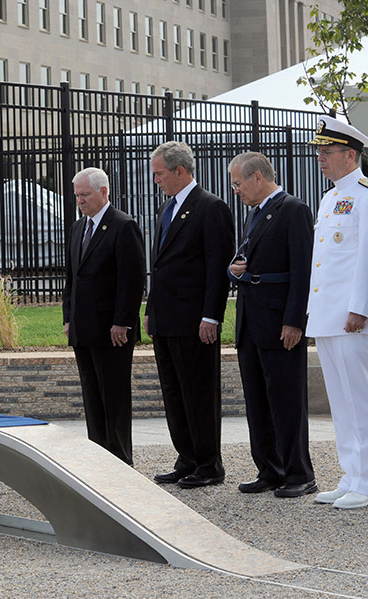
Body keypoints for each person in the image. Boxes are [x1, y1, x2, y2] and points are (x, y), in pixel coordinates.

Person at [306, 117, 368, 509]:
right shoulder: (329, 197)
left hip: (351, 317)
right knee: (341, 401)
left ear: (350, 155)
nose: (321, 158)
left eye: (327, 152)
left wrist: (360, 308)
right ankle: (350, 474)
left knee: (362, 397)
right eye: (320, 152)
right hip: (327, 315)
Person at [227, 152, 316, 498]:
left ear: (258, 178)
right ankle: (270, 468)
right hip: (252, 320)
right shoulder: (257, 213)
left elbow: (302, 269)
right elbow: (248, 257)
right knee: (258, 400)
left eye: (238, 183)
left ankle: (298, 472)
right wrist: (236, 270)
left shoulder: (292, 210)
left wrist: (295, 320)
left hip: (280, 321)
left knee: (286, 400)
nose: (236, 190)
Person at [146, 141, 234, 489]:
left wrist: (211, 315)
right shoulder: (167, 209)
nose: (156, 180)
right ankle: (187, 457)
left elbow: (217, 267)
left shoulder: (210, 208)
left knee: (198, 391)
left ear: (180, 171)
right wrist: (151, 310)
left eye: (160, 174)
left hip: (195, 320)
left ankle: (209, 463)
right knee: (173, 391)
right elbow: (161, 267)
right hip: (167, 318)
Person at [62, 167, 146, 465]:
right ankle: (98, 456)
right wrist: (68, 318)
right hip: (83, 329)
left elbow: (132, 280)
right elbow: (72, 277)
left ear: (103, 192)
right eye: (76, 195)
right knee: (92, 396)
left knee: (114, 397)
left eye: (85, 194)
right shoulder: (77, 228)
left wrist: (123, 321)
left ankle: (120, 460)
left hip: (112, 331)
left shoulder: (123, 226)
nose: (80, 201)